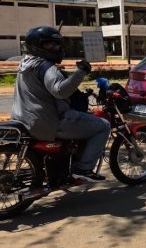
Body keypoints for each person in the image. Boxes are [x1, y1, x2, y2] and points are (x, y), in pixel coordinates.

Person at [11, 26, 110, 191]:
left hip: (24, 119)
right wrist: (81, 72)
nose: (57, 48)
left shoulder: (26, 63)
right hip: (48, 122)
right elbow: (60, 90)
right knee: (103, 126)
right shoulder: (45, 66)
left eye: (57, 44)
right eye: (51, 45)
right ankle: (82, 169)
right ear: (38, 46)